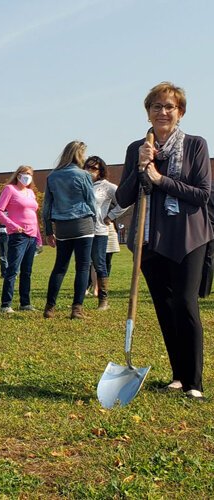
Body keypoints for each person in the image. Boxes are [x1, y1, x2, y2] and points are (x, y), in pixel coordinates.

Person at [116, 82, 212, 400]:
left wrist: (160, 179)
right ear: (148, 113)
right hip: (149, 241)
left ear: (180, 113)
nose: (163, 112)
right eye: (156, 106)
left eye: (170, 106)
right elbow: (124, 196)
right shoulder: (137, 149)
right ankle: (178, 376)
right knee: (165, 308)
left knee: (184, 305)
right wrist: (141, 166)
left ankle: (194, 382)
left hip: (188, 237)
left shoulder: (196, 146)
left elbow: (201, 194)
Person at [42, 141, 96, 320]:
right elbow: (90, 201)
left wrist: (48, 230)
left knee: (59, 267)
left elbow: (47, 207)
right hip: (83, 223)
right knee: (82, 267)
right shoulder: (84, 175)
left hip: (62, 225)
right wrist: (94, 220)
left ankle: (50, 307)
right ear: (79, 154)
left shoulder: (52, 176)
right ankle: (77, 309)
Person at [0, 165, 43, 313]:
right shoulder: (10, 189)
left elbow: (34, 216)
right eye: (24, 173)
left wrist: (39, 238)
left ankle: (25, 303)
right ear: (18, 175)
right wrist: (13, 226)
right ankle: (6, 304)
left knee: (27, 271)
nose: (27, 176)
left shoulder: (30, 193)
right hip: (18, 236)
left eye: (30, 174)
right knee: (13, 270)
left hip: (32, 236)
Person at [83, 156, 127, 310]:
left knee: (99, 263)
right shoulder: (81, 184)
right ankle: (79, 299)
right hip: (81, 230)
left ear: (101, 170)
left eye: (93, 168)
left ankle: (103, 300)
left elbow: (124, 201)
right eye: (87, 167)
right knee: (82, 264)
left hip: (98, 230)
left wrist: (111, 216)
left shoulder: (107, 187)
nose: (89, 171)